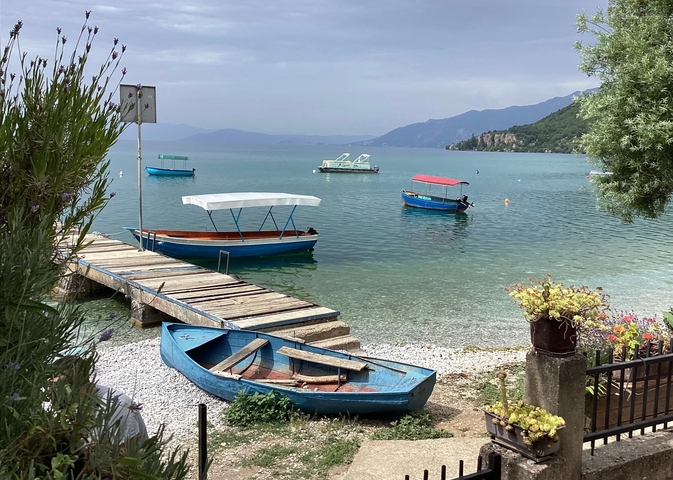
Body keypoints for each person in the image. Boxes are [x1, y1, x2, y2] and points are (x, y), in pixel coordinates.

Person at [52, 355, 149, 447]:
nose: (50, 396)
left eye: (56, 388)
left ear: (76, 386)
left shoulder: (116, 408)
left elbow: (127, 457)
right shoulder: (69, 406)